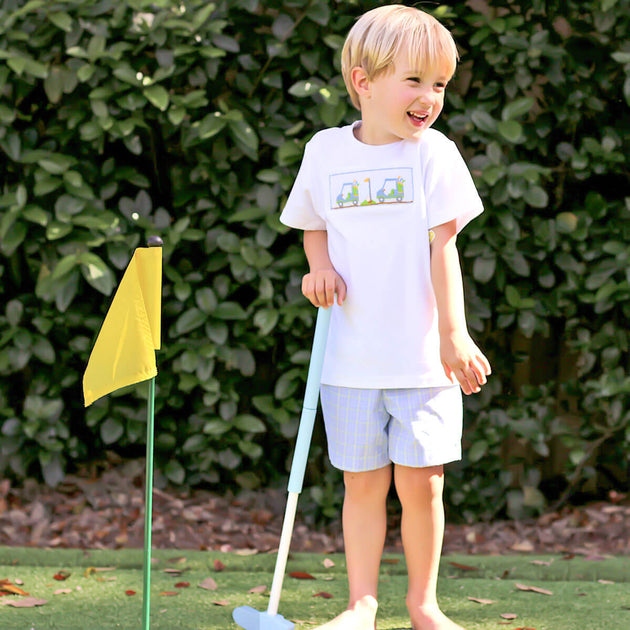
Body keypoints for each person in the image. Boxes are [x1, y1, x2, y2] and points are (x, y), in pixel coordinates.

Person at [280, 5, 491, 629]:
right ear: (362, 81)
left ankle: (423, 606)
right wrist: (318, 268)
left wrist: (453, 334)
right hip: (349, 360)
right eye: (415, 80)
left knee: (423, 485)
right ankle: (359, 605)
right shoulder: (325, 152)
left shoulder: (434, 155)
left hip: (423, 361)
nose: (429, 98)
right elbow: (312, 225)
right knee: (363, 486)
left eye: (440, 85)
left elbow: (442, 248)